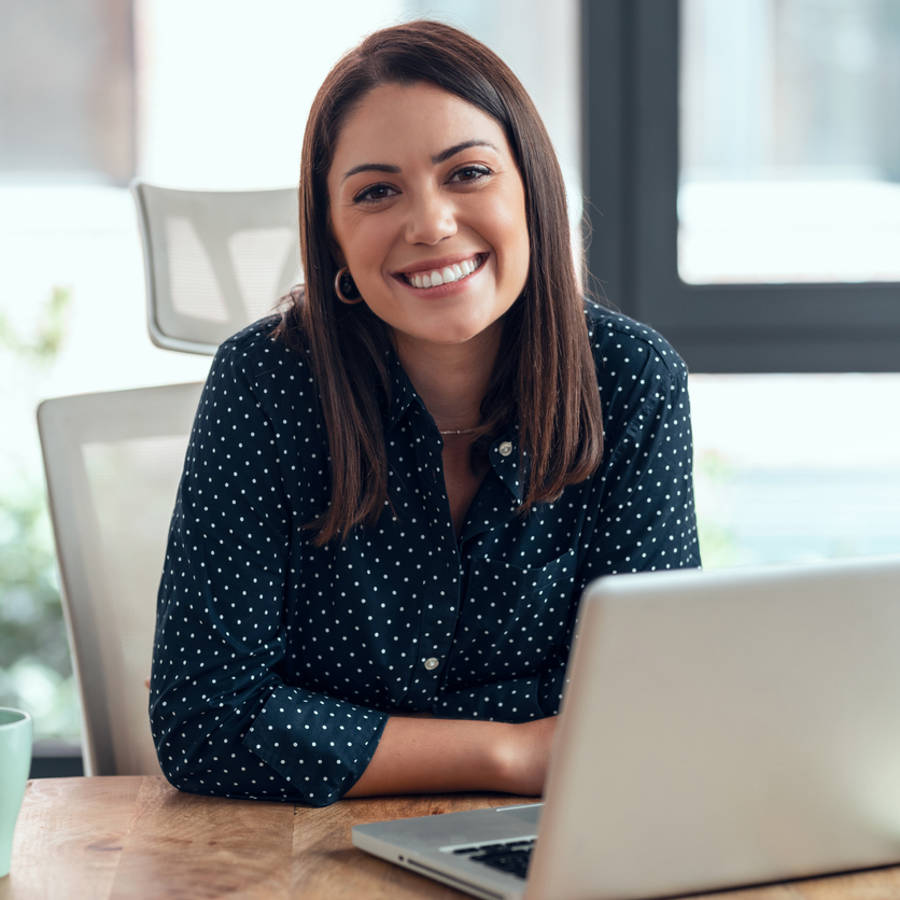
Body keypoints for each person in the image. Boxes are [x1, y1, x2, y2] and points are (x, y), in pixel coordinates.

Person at [149, 20, 701, 808]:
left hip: (563, 842)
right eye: (376, 192)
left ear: (531, 192)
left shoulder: (629, 380)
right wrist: (511, 752)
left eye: (467, 172)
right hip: (291, 853)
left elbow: (645, 707)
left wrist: (330, 730)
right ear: (334, 240)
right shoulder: (265, 381)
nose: (430, 224)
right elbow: (205, 724)